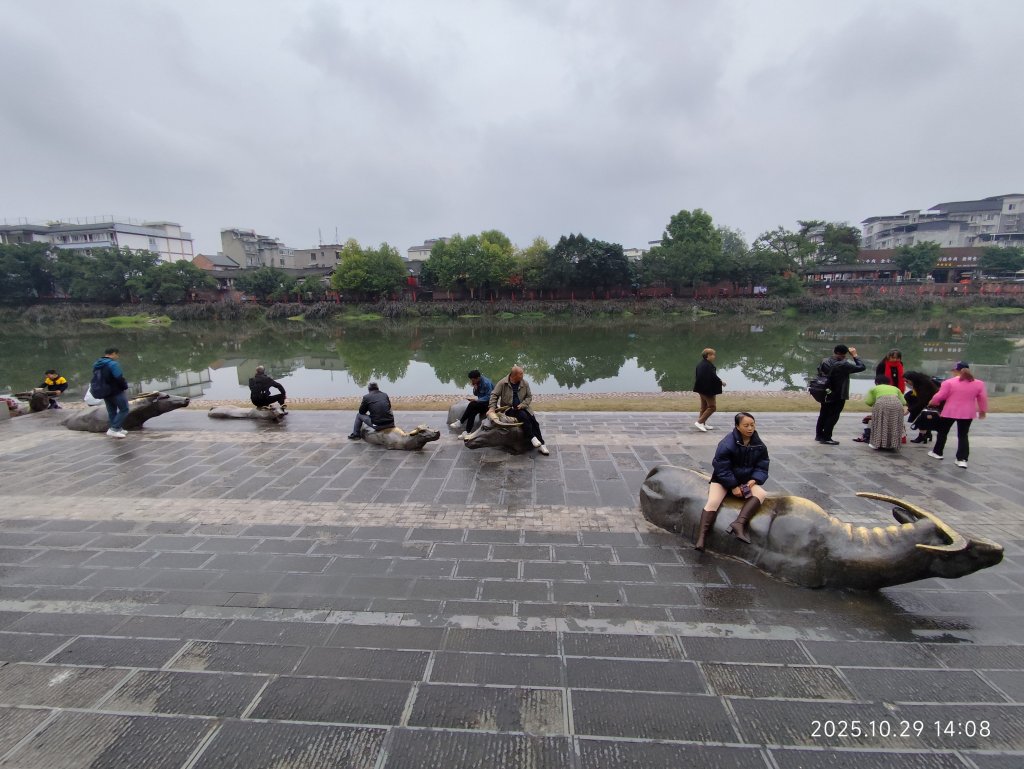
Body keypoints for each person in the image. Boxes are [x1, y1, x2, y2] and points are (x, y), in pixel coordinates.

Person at [694, 412, 769, 551]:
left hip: (745, 481)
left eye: (752, 425)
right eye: (746, 425)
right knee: (713, 502)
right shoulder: (727, 444)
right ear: (737, 426)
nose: (750, 428)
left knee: (761, 494)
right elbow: (720, 466)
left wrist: (752, 482)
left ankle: (739, 523)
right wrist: (733, 486)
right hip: (723, 480)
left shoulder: (759, 445)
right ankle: (701, 538)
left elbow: (763, 466)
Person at [927, 362, 987, 468]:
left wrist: (933, 402)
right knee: (963, 435)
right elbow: (982, 398)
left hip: (949, 411)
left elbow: (940, 395)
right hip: (967, 413)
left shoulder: (948, 382)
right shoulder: (979, 383)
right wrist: (982, 411)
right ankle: (962, 459)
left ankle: (937, 452)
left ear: (956, 371)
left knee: (942, 432)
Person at [488, 365, 549, 456]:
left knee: (535, 423)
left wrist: (523, 405)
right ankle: (532, 437)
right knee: (523, 416)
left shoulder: (525, 383)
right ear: (514, 375)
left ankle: (542, 444)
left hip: (523, 408)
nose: (523, 375)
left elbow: (529, 397)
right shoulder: (502, 383)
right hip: (509, 409)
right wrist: (492, 408)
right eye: (521, 374)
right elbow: (494, 395)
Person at [814, 344, 865, 445]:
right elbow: (862, 367)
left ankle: (819, 435)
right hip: (838, 393)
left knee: (823, 413)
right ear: (845, 354)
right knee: (833, 415)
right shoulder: (844, 364)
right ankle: (827, 437)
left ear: (834, 350)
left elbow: (819, 371)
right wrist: (855, 355)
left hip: (825, 390)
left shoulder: (824, 361)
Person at [91, 347, 130, 439]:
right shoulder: (113, 364)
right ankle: (114, 429)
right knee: (124, 409)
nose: (117, 356)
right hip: (115, 390)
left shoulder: (97, 364)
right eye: (117, 354)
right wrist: (124, 386)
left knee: (111, 410)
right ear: (113, 353)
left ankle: (117, 428)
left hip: (104, 390)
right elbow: (119, 377)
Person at [860, 374, 907, 450]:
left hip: (881, 404)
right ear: (889, 382)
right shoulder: (895, 388)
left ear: (876, 382)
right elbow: (904, 402)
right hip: (897, 404)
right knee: (894, 424)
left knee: (879, 424)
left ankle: (877, 443)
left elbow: (869, 402)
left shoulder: (874, 389)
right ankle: (893, 444)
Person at [450, 369, 493, 437]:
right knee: (472, 412)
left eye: (473, 380)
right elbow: (476, 394)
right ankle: (468, 432)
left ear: (478, 378)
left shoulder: (486, 383)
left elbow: (489, 397)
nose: (472, 381)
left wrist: (477, 400)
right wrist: (475, 388)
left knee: (472, 404)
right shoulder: (477, 382)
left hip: (489, 405)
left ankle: (461, 422)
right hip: (481, 404)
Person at [693, 348, 724, 432]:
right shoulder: (708, 366)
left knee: (704, 407)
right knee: (712, 407)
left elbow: (704, 376)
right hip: (707, 390)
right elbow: (712, 377)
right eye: (713, 355)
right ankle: (699, 422)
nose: (714, 356)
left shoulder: (701, 364)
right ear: (708, 356)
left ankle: (702, 423)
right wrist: (721, 382)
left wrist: (720, 381)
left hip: (701, 388)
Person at [905, 370, 940, 444]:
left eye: (907, 381)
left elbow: (922, 402)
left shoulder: (923, 386)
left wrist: (909, 409)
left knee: (920, 414)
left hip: (930, 401)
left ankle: (922, 435)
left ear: (912, 379)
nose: (906, 383)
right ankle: (927, 433)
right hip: (929, 399)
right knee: (908, 396)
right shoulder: (922, 382)